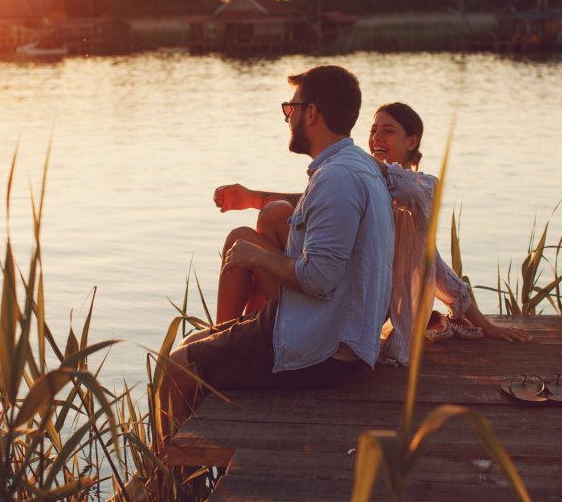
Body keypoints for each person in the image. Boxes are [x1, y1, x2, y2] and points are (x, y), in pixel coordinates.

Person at [159, 65, 394, 435]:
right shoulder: (352, 167)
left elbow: (319, 279)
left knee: (174, 371)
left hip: (323, 351)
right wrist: (254, 200)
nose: (288, 117)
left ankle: (164, 485)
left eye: (291, 108)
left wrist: (256, 257)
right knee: (191, 342)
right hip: (327, 331)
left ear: (311, 113)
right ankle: (185, 467)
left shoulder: (337, 178)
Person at [214, 101, 531, 367]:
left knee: (240, 238)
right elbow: (310, 202)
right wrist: (251, 197)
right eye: (373, 130)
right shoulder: (355, 180)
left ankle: (225, 342)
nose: (377, 138)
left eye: (388, 131)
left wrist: (484, 324)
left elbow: (433, 264)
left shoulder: (418, 191)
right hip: (323, 288)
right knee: (274, 214)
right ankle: (237, 334)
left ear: (412, 141)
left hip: (352, 308)